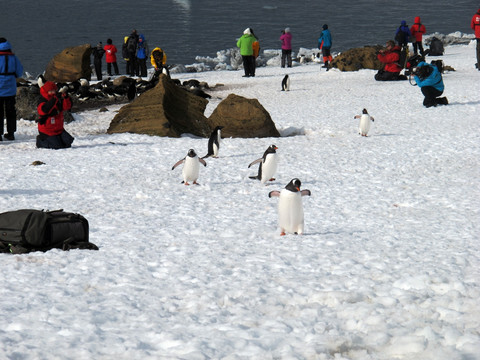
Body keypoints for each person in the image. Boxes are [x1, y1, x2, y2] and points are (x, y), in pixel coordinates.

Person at [36, 81, 74, 149]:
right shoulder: (43, 100)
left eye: (54, 90)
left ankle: (55, 139)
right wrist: (55, 99)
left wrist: (66, 98)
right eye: (50, 91)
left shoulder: (57, 98)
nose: (53, 92)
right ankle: (40, 141)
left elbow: (67, 107)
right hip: (47, 130)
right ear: (46, 91)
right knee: (56, 146)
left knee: (68, 142)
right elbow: (43, 111)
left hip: (58, 129)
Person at [0, 38, 23, 141]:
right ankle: (11, 133)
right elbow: (19, 72)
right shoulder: (14, 58)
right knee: (10, 111)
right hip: (10, 89)